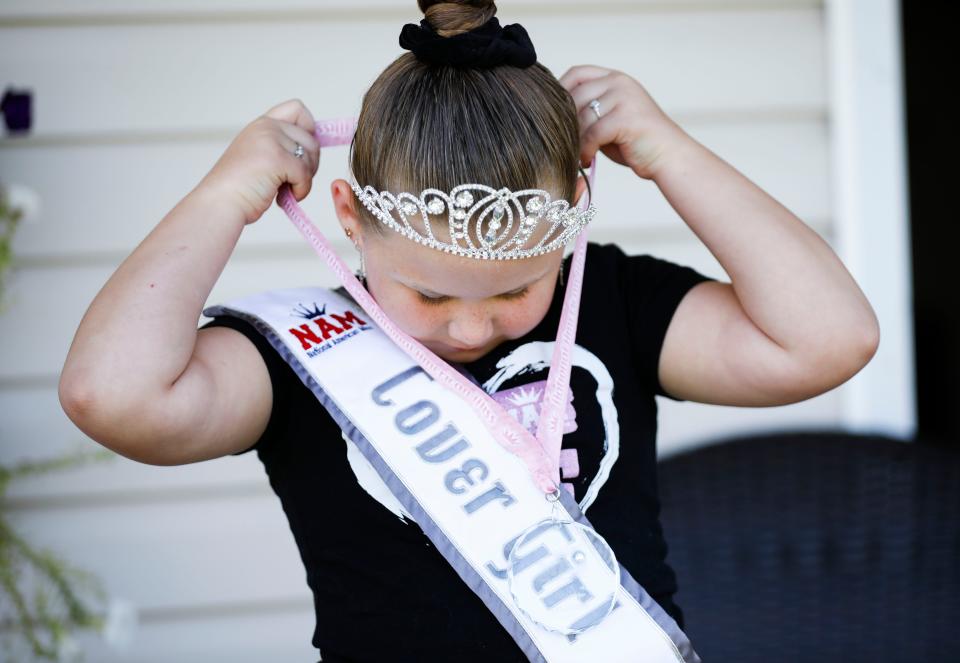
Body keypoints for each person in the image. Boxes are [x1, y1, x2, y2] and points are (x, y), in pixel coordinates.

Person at [58, 1, 880, 661]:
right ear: (350, 219)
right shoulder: (303, 357)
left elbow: (830, 338)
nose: (471, 325)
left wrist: (672, 153)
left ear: (571, 226)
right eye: (426, 292)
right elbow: (112, 394)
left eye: (520, 287)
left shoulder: (614, 302)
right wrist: (222, 197)